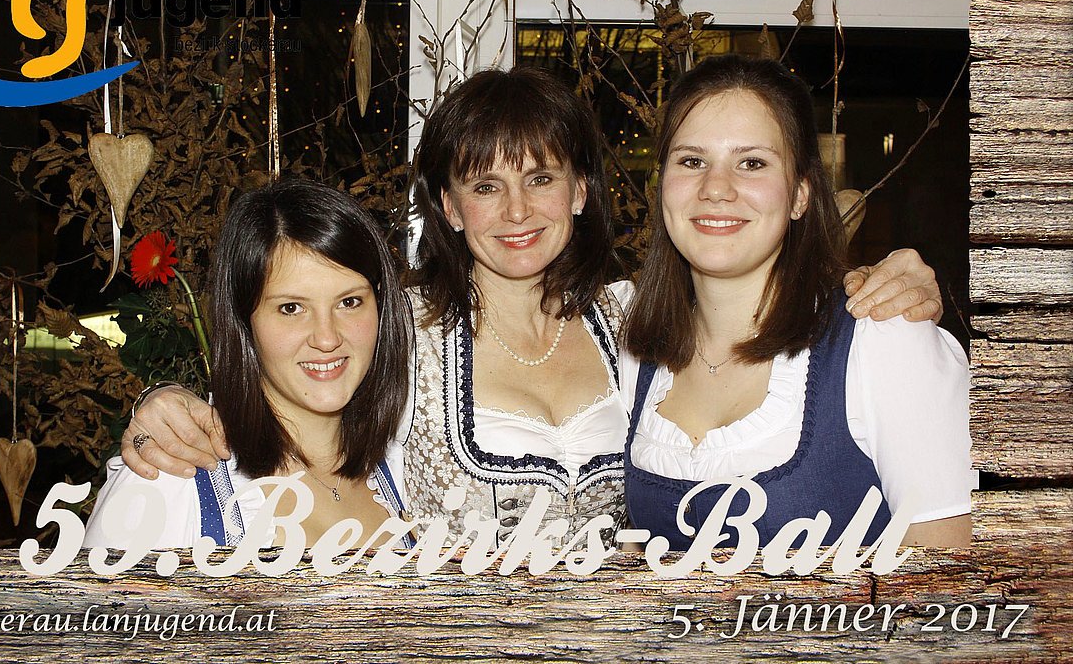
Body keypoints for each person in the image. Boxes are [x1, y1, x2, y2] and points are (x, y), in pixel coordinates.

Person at [120, 67, 945, 545]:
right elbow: (285, 374)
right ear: (449, 207)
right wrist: (167, 406)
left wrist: (881, 278)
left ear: (581, 190)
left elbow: (759, 319)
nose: (516, 210)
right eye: (485, 185)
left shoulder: (636, 320)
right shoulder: (397, 328)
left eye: (541, 177)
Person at [620, 54, 973, 549]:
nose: (715, 188)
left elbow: (951, 576)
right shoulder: (635, 352)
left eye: (752, 163)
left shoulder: (884, 339)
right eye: (692, 161)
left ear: (800, 195)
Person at [85, 179, 413, 549]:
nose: (327, 338)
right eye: (291, 308)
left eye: (349, 302)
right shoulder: (170, 478)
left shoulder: (398, 469)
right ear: (244, 320)